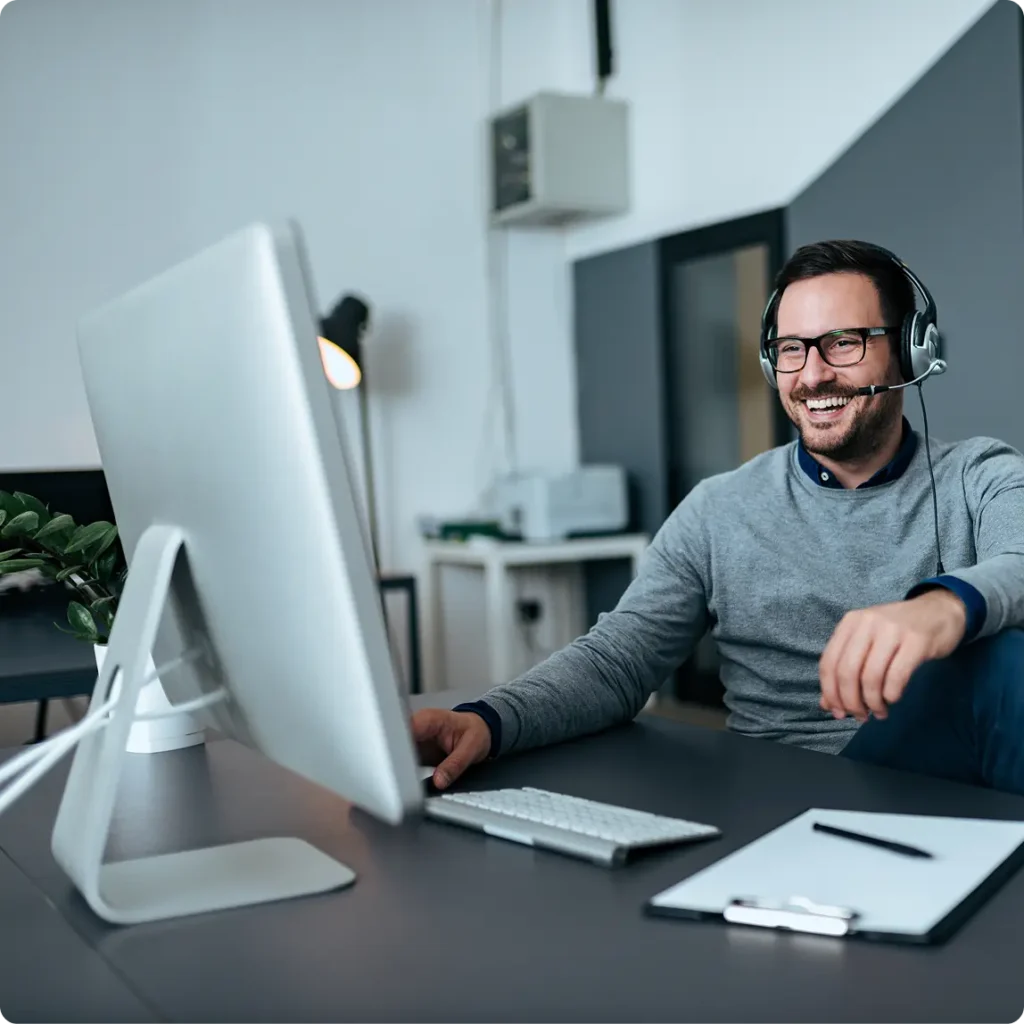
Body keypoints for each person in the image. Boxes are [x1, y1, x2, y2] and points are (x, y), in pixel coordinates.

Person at [412, 240, 1024, 796]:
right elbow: (617, 661)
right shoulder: (718, 508)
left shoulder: (978, 475)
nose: (813, 375)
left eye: (844, 342)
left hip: (937, 783)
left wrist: (945, 606)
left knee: (1000, 661)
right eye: (791, 350)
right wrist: (488, 722)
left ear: (912, 349)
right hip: (783, 797)